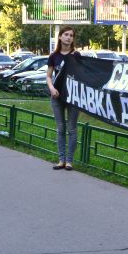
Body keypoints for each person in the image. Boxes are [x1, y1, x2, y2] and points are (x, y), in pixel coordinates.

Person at [46, 26, 81, 170]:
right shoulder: (53, 56)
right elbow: (48, 75)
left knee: (72, 129)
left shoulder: (77, 55)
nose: (69, 37)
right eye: (66, 34)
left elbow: (81, 75)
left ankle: (69, 161)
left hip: (73, 98)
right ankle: (61, 160)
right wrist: (52, 88)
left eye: (71, 35)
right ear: (60, 37)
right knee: (61, 128)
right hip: (57, 96)